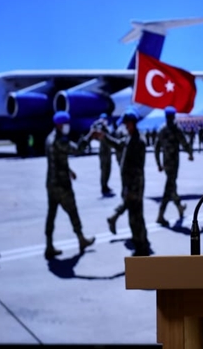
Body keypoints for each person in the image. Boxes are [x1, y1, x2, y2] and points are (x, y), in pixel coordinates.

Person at [44, 111, 95, 259]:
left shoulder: (49, 138)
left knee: (51, 215)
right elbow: (78, 150)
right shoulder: (61, 140)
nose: (68, 126)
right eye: (66, 124)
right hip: (62, 185)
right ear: (60, 125)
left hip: (51, 183)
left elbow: (57, 159)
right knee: (73, 211)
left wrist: (69, 170)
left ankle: (48, 245)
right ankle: (81, 239)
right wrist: (89, 135)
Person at [102, 108, 152, 256]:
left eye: (126, 123)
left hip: (134, 184)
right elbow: (118, 144)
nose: (124, 126)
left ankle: (141, 247)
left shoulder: (137, 141)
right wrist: (104, 137)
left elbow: (135, 168)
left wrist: (129, 188)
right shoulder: (130, 138)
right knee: (135, 215)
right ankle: (141, 241)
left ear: (131, 123)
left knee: (135, 217)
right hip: (130, 184)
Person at [153, 106, 194, 227]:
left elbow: (156, 148)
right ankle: (160, 215)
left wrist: (158, 163)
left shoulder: (161, 129)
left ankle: (180, 207)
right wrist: (190, 153)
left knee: (172, 185)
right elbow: (184, 143)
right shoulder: (176, 129)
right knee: (169, 187)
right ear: (174, 116)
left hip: (166, 163)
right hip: (174, 163)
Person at [93, 113, 116, 197]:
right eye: (103, 119)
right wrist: (100, 124)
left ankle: (106, 185)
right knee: (104, 170)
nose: (105, 121)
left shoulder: (107, 128)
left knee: (108, 169)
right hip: (103, 153)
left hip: (108, 152)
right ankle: (103, 186)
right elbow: (96, 132)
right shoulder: (100, 128)